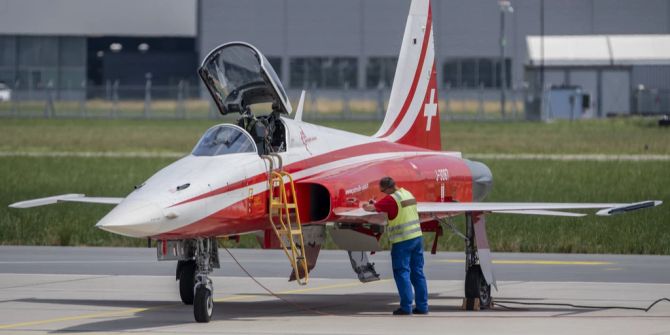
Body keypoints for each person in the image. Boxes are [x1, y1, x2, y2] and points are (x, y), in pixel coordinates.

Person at [363, 177, 428, 315]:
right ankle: (422, 307)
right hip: (417, 238)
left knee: (402, 272)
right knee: (418, 272)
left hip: (402, 241)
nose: (384, 194)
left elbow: (370, 208)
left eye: (383, 191)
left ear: (388, 188)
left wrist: (366, 205)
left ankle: (406, 307)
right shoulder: (407, 193)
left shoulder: (390, 199)